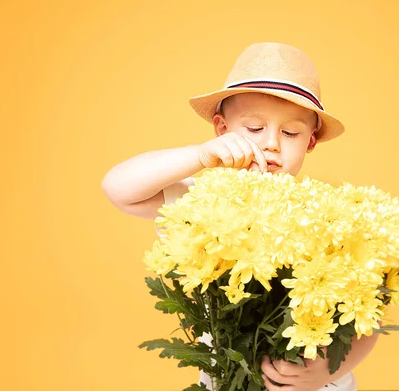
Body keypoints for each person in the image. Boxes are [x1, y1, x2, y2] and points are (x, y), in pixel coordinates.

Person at [101, 42, 380, 391]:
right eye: (253, 128)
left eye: (290, 132)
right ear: (222, 129)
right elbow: (118, 188)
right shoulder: (203, 203)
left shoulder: (332, 217)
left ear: (311, 141)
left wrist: (330, 371)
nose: (271, 144)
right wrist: (199, 156)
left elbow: (372, 314)